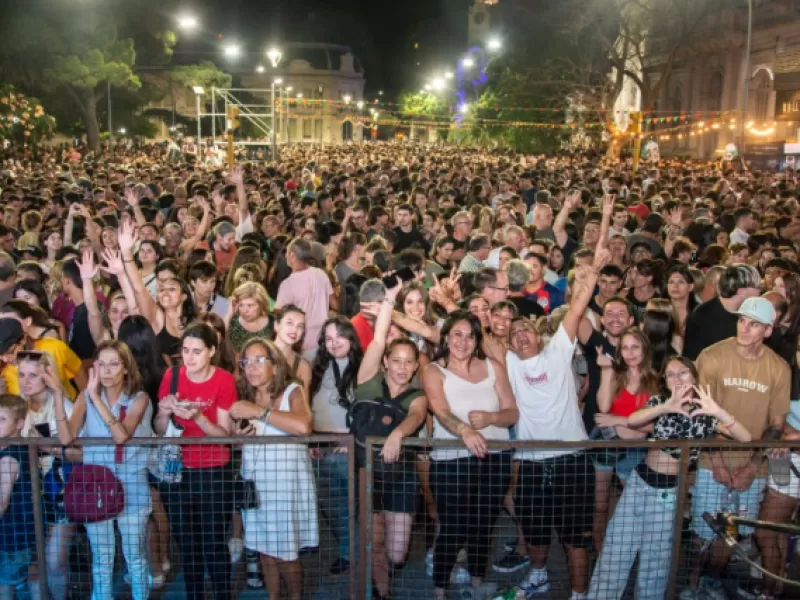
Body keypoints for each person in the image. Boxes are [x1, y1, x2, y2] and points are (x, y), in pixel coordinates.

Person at [589, 357, 751, 599]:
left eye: (682, 373)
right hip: (640, 484)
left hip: (669, 492)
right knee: (617, 547)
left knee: (656, 559)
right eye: (670, 375)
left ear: (694, 376)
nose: (677, 379)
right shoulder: (660, 402)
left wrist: (718, 411)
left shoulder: (706, 413)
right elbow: (634, 420)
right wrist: (665, 408)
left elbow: (745, 438)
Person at [505, 247, 608, 599]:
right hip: (532, 461)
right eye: (514, 333)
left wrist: (590, 272)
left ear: (538, 334)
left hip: (571, 459)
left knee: (575, 536)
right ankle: (538, 576)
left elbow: (577, 306)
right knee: (534, 532)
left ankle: (580, 593)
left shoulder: (559, 349)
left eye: (526, 330)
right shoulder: (510, 364)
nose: (520, 335)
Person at [686, 297, 790, 599]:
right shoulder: (712, 356)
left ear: (768, 331)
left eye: (753, 324)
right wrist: (715, 460)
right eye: (742, 320)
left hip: (753, 466)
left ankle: (713, 582)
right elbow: (701, 413)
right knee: (702, 533)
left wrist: (753, 467)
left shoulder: (779, 368)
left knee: (729, 534)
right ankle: (691, 582)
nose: (744, 328)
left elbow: (776, 424)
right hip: (711, 459)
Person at [422, 310, 518, 600]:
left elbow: (511, 412)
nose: (463, 341)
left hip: (495, 456)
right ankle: (440, 590)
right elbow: (440, 410)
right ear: (446, 337)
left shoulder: (493, 366)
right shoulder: (434, 370)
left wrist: (491, 418)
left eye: (469, 335)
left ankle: (477, 584)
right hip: (452, 460)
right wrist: (465, 430)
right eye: (456, 334)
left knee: (484, 523)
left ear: (477, 339)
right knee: (452, 528)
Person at [54, 340, 153, 600]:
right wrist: (57, 394)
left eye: (113, 364)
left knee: (136, 557)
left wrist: (95, 397)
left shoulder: (139, 398)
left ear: (126, 369)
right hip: (96, 487)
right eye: (101, 364)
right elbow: (67, 437)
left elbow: (121, 435)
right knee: (102, 557)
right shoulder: (85, 397)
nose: (106, 370)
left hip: (132, 486)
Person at [356, 280, 428, 599]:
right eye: (395, 360)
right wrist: (389, 300)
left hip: (402, 476)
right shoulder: (368, 379)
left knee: (397, 552)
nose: (401, 367)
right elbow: (375, 341)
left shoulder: (417, 394)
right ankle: (381, 592)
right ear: (386, 361)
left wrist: (398, 433)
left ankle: (384, 575)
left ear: (415, 367)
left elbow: (416, 416)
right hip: (366, 473)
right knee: (377, 540)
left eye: (408, 362)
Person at [154, 323, 237, 600]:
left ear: (212, 351)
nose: (190, 358)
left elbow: (225, 435)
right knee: (186, 543)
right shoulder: (172, 376)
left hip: (213, 467)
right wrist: (165, 413)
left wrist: (198, 418)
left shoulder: (224, 380)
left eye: (197, 351)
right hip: (177, 467)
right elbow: (159, 427)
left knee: (213, 541)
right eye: (186, 351)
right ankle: (194, 595)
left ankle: (222, 594)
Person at [230, 338, 316, 600]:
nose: (252, 367)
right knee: (264, 549)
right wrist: (238, 435)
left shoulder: (292, 391)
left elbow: (303, 426)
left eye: (259, 361)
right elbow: (238, 443)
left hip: (285, 486)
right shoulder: (248, 395)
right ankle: (274, 596)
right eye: (247, 362)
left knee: (286, 553)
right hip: (257, 483)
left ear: (276, 366)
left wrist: (258, 411)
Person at [308, 316, 362, 575]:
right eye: (328, 338)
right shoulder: (314, 367)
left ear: (351, 338)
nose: (334, 343)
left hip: (348, 448)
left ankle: (362, 554)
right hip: (319, 448)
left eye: (340, 336)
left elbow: (369, 409)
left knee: (355, 505)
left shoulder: (364, 367)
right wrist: (309, 441)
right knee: (332, 506)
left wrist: (352, 441)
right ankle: (347, 552)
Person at [683, 264, 761, 360]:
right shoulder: (702, 316)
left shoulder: (751, 314)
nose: (759, 292)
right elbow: (692, 359)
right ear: (741, 292)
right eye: (757, 287)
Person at [0, 394, 35, 600]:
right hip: (17, 537)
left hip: (10, 539)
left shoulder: (9, 458)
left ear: (19, 423)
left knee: (5, 588)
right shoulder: (19, 449)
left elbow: (2, 500)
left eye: (2, 419)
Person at [276, 238, 334, 351]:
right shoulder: (321, 274)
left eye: (287, 253)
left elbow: (279, 314)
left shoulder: (288, 284)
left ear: (292, 255)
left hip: (300, 342)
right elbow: (334, 303)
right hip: (323, 339)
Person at [272, 305, 312, 399]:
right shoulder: (257, 353)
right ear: (276, 325)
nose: (294, 330)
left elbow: (304, 409)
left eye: (300, 326)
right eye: (289, 323)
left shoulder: (303, 366)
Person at [226, 282, 272, 354]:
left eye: (250, 305)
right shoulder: (232, 320)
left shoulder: (273, 322)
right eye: (241, 305)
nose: (245, 310)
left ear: (261, 305)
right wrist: (229, 315)